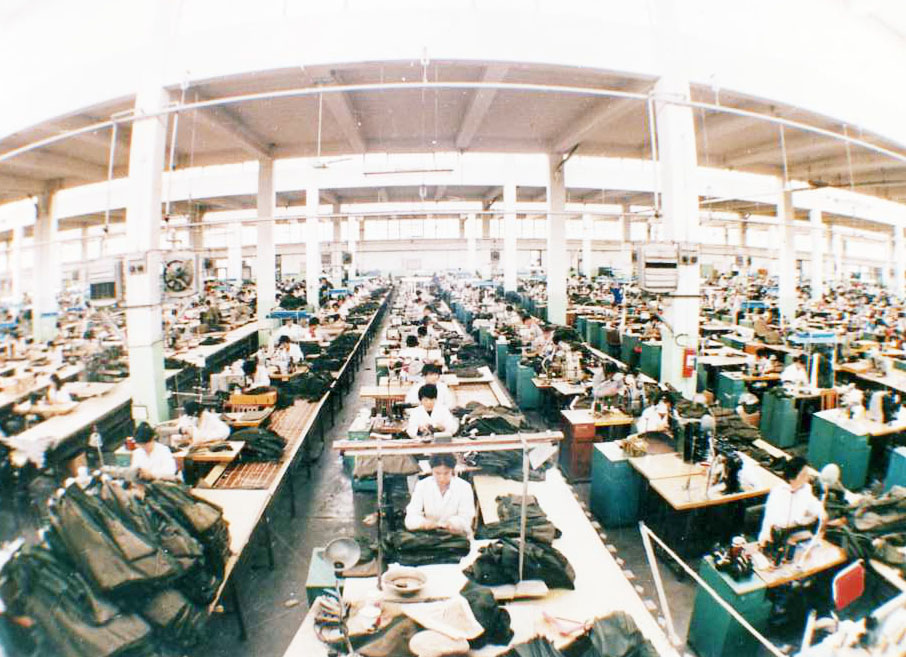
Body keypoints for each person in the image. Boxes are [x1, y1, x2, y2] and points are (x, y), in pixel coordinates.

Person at [758, 456, 825, 545]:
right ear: (792, 478)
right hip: (778, 535)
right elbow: (772, 520)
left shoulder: (806, 489)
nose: (807, 478)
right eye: (804, 475)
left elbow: (816, 508)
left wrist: (822, 515)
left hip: (796, 532)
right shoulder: (778, 492)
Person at [405, 453, 475, 537]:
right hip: (430, 537)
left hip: (458, 537)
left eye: (446, 473)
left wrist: (452, 524)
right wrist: (424, 524)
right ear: (431, 470)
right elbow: (411, 516)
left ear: (452, 470)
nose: (442, 478)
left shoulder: (464, 487)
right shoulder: (422, 485)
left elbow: (467, 517)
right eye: (437, 473)